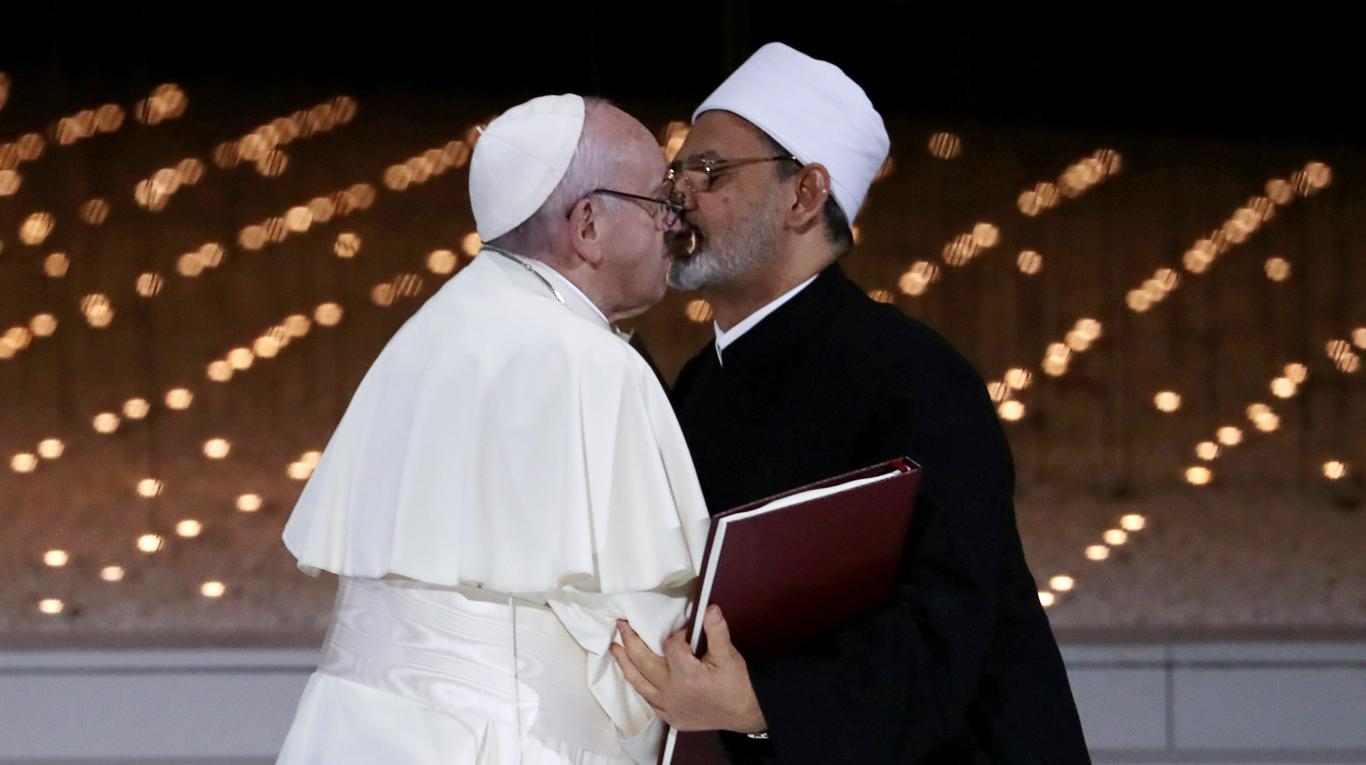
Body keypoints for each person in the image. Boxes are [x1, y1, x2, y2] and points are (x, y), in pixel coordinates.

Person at [611, 43, 1091, 763]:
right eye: (677, 170)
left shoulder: (918, 380)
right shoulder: (702, 386)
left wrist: (759, 701)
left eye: (708, 170)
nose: (679, 193)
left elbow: (944, 631)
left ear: (804, 195)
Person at [277, 93, 712, 765]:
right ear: (588, 225)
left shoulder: (424, 332)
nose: (674, 226)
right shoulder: (593, 362)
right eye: (660, 204)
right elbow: (648, 650)